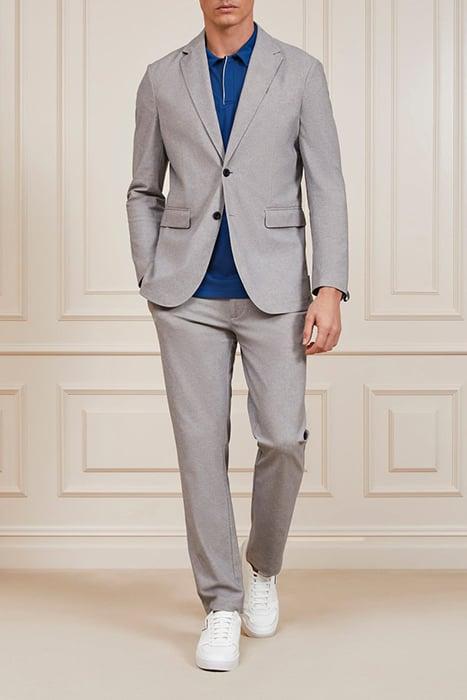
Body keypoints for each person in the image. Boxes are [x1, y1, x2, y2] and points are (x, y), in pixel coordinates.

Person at [126, 0, 349, 672]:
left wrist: (329, 287)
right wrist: (151, 274)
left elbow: (326, 185)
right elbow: (143, 188)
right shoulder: (162, 77)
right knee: (200, 451)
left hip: (275, 290)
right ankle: (220, 604)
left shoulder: (300, 73)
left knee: (282, 437)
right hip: (186, 295)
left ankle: (262, 567)